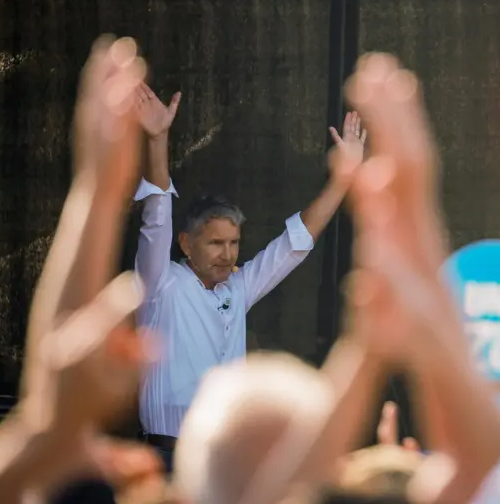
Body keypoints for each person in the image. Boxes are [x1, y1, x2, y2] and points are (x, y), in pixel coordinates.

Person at [132, 85, 366, 470]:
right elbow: (156, 216)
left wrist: (342, 180)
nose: (227, 254)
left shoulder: (237, 288)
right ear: (186, 243)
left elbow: (293, 246)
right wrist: (157, 139)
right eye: (215, 244)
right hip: (164, 460)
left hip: (224, 462)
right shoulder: (162, 284)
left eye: (234, 243)